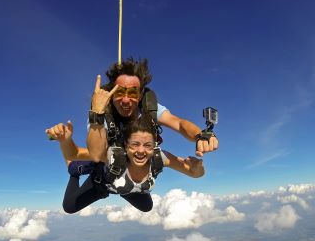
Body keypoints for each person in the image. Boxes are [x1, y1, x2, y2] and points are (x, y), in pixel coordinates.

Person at [45, 113, 205, 214]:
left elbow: (194, 174)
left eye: (147, 145)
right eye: (135, 144)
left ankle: (120, 184)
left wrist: (198, 168)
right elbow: (74, 153)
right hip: (101, 182)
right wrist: (65, 140)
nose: (141, 151)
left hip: (127, 187)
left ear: (154, 146)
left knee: (146, 206)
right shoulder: (113, 154)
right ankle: (76, 171)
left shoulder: (160, 157)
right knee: (70, 206)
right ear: (126, 145)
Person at [86, 58, 219, 164]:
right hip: (106, 175)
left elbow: (178, 123)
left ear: (140, 96)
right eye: (119, 92)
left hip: (135, 175)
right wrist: (97, 113)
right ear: (111, 94)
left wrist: (200, 135)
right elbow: (97, 155)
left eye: (132, 93)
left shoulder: (148, 109)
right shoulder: (100, 112)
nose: (126, 100)